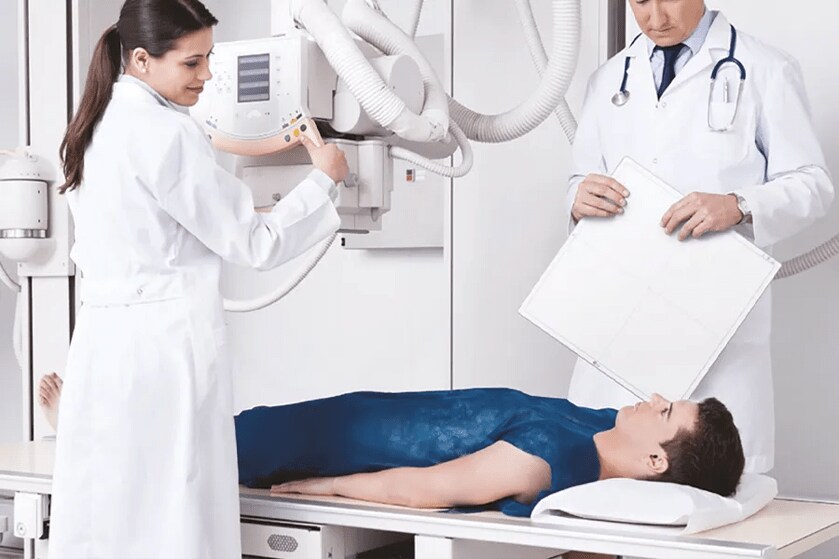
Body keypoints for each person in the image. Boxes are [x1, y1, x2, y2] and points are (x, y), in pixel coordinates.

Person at [49, 1, 349, 557]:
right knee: (174, 512)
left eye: (209, 58)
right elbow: (257, 244)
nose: (208, 76)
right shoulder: (167, 133)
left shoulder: (94, 123)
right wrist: (323, 182)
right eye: (193, 63)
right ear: (142, 59)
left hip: (101, 350)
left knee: (110, 510)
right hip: (165, 351)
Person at [566, 0, 834, 474]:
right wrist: (578, 197)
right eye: (639, 2)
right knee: (597, 485)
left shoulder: (765, 69)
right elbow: (581, 178)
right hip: (619, 316)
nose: (654, 18)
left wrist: (739, 204)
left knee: (715, 496)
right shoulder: (608, 80)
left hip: (717, 320)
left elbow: (813, 185)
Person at [39, 372, 745, 518]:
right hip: (358, 413)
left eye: (665, 411)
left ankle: (89, 435)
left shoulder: (553, 459)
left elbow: (427, 491)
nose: (653, 396)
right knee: (222, 429)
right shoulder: (594, 420)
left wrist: (316, 486)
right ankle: (100, 425)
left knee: (216, 450)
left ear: (655, 460)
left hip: (338, 447)